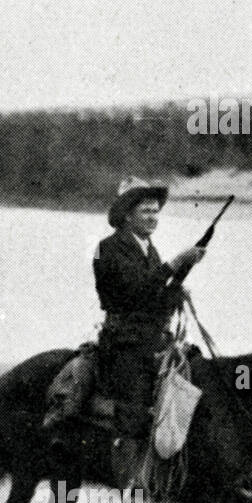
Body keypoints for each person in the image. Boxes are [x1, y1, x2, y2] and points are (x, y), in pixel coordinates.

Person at [93, 177, 205, 486]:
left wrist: (178, 285)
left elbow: (155, 297)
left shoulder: (148, 250)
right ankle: (129, 485)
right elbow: (135, 292)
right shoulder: (108, 248)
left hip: (152, 338)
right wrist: (173, 264)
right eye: (146, 211)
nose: (153, 217)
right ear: (127, 214)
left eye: (156, 211)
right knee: (134, 415)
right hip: (125, 342)